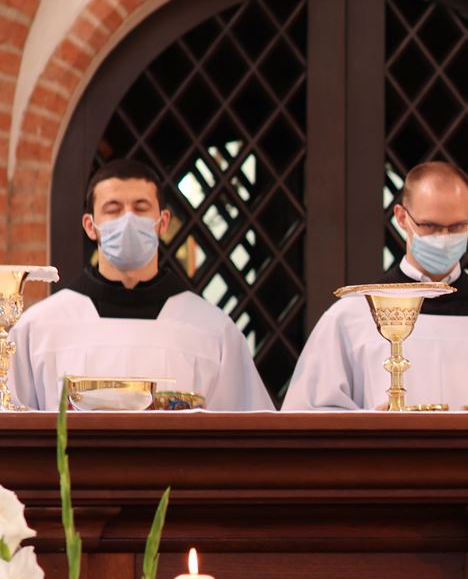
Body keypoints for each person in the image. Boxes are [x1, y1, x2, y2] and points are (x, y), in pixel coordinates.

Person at [282, 161, 468, 410]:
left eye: (457, 226)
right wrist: (368, 427)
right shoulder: (351, 317)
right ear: (402, 217)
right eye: (430, 226)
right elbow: (309, 419)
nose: (444, 238)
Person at [8, 158, 273, 410]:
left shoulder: (212, 331)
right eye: (113, 209)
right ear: (90, 226)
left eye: (141, 208)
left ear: (163, 222)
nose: (128, 219)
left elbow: (248, 438)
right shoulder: (40, 328)